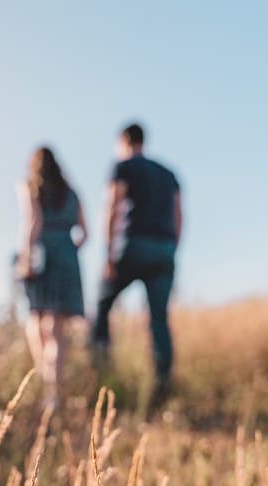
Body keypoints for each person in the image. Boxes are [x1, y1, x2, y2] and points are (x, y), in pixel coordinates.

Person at [92, 123, 183, 416]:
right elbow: (180, 215)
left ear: (124, 141)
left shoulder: (123, 166)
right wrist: (173, 250)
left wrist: (108, 254)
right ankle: (163, 382)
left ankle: (102, 373)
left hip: (133, 246)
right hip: (165, 249)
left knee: (102, 305)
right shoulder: (168, 174)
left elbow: (112, 206)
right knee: (159, 319)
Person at [17, 147, 88, 406]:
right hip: (68, 255)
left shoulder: (29, 186)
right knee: (57, 328)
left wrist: (26, 257)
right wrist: (68, 252)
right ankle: (53, 391)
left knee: (36, 317)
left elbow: (32, 221)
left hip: (42, 253)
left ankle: (45, 378)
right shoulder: (72, 193)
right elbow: (85, 232)